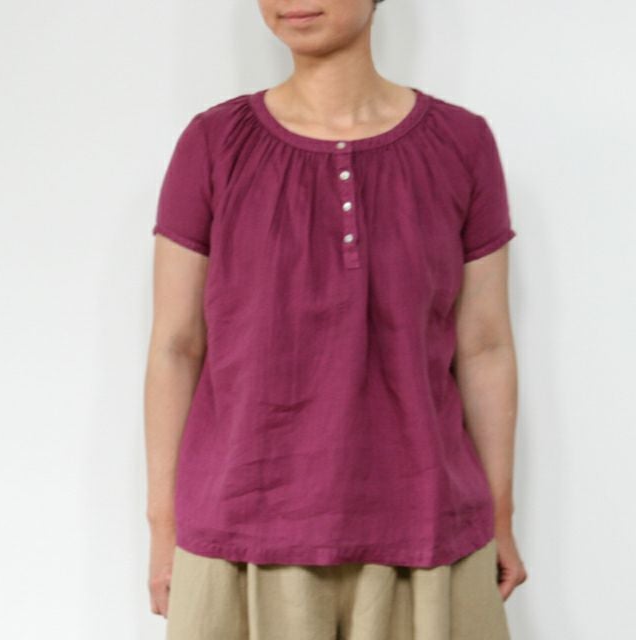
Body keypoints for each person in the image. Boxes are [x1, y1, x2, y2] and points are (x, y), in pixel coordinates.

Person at [144, 0, 528, 638]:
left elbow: (485, 345)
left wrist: (501, 519)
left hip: (426, 528)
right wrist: (164, 531)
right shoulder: (213, 143)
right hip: (244, 528)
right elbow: (176, 346)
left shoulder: (463, 144)